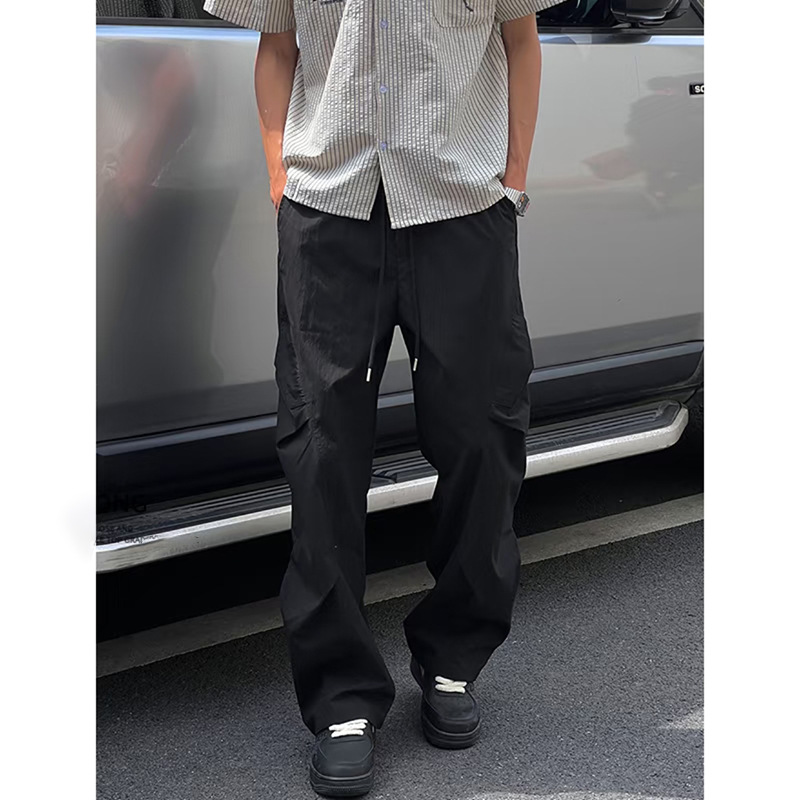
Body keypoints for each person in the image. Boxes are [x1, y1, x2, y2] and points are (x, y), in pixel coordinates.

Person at [204, 1, 562, 796]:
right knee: (321, 451)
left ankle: (454, 658)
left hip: (462, 208)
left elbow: (521, 39)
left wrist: (513, 183)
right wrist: (280, 175)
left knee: (483, 437)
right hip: (330, 211)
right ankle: (341, 699)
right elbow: (277, 47)